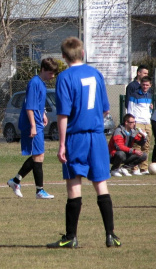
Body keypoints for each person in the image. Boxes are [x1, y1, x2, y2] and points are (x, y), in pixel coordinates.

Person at [47, 37, 121, 249]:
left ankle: (71, 237)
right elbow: (105, 108)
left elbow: (62, 114)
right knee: (101, 185)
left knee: (74, 186)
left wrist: (62, 144)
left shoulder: (64, 77)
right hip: (97, 136)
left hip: (76, 137)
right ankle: (111, 235)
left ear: (63, 56)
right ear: (83, 53)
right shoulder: (96, 74)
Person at [7, 58, 58, 199]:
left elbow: (37, 104)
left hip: (37, 122)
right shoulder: (34, 83)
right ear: (42, 69)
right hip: (32, 124)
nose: (52, 76)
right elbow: (29, 106)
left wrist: (43, 114)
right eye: (50, 73)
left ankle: (16, 181)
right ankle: (39, 191)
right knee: (38, 155)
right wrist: (33, 126)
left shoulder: (41, 83)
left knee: (38, 155)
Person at [126, 76, 153, 175]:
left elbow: (147, 110)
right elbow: (130, 110)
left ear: (150, 85)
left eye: (147, 85)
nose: (145, 86)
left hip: (147, 123)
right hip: (138, 123)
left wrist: (151, 109)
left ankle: (144, 168)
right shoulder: (134, 95)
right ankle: (134, 167)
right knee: (137, 145)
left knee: (146, 146)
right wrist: (132, 123)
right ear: (140, 84)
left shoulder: (150, 96)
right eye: (143, 84)